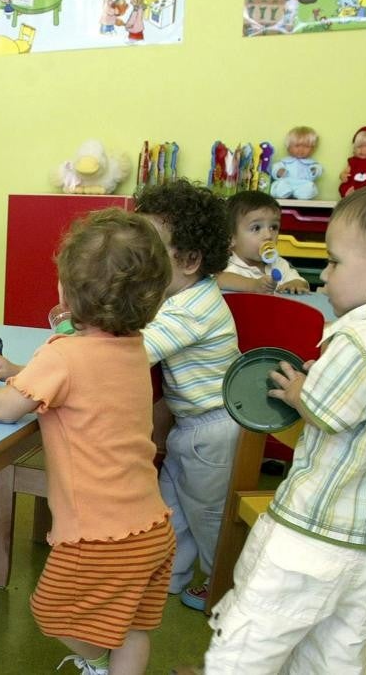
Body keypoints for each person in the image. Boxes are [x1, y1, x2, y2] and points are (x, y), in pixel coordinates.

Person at [192, 171, 366, 674]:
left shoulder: (359, 336)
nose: (324, 275)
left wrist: (302, 390)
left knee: (252, 635)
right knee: (338, 652)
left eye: (335, 261)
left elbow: (330, 411)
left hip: (315, 533)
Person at [0, 209, 175, 675]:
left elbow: (2, 409)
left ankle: (97, 662)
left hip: (98, 536)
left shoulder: (62, 354)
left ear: (67, 295)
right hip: (152, 527)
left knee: (51, 611)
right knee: (133, 627)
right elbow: (82, 385)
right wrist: (14, 372)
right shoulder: (135, 350)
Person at [129, 180, 241, 613]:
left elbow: (137, 353)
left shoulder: (193, 307)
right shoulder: (181, 296)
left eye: (150, 251)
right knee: (172, 507)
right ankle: (170, 579)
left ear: (190, 260)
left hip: (213, 429)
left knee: (207, 515)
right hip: (191, 427)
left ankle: (224, 589)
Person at [216, 190, 311, 295]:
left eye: (273, 227)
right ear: (231, 238)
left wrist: (295, 284)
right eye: (256, 228)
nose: (268, 235)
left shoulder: (279, 264)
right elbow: (220, 279)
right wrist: (253, 285)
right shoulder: (226, 264)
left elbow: (301, 282)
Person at [269, 126, 322, 200]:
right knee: (280, 185)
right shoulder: (284, 162)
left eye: (306, 146)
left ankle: (301, 194)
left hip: (302, 184)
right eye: (297, 146)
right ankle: (284, 192)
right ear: (288, 147)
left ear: (313, 149)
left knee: (309, 186)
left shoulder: (311, 164)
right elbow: (275, 168)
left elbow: (319, 170)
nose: (301, 149)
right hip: (286, 182)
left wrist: (315, 170)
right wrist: (278, 171)